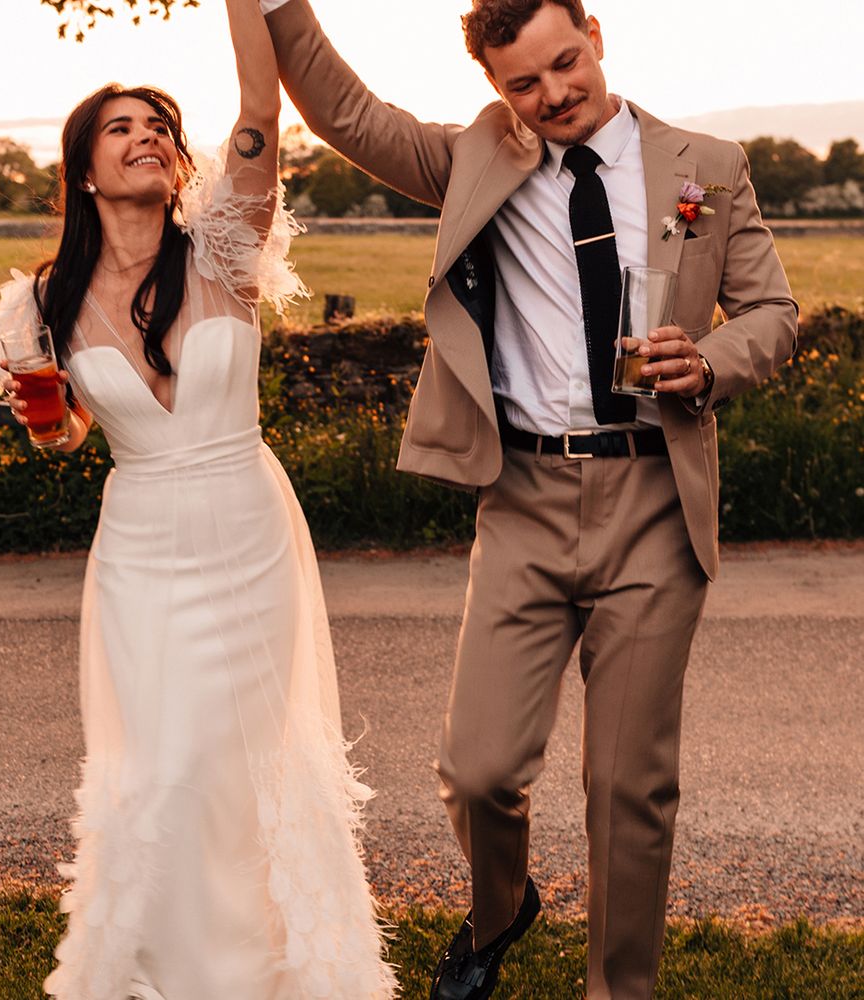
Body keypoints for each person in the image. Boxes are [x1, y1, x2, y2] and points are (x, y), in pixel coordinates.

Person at [258, 1, 798, 998]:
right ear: (495, 88)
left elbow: (771, 311)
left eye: (564, 64)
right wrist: (279, 10)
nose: (553, 95)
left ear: (595, 33)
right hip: (522, 496)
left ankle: (616, 987)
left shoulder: (706, 166)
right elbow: (344, 111)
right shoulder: (476, 160)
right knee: (477, 769)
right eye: (523, 83)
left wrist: (711, 359)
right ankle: (500, 905)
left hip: (653, 498)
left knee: (625, 785)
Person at [0, 2, 398, 998]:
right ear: (83, 170)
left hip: (246, 526)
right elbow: (64, 436)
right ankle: (160, 969)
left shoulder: (223, 253)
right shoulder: (44, 303)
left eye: (158, 124)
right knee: (161, 762)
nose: (147, 135)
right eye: (121, 127)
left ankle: (279, 970)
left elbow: (257, 107)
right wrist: (43, 414)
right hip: (141, 546)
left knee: (245, 757)